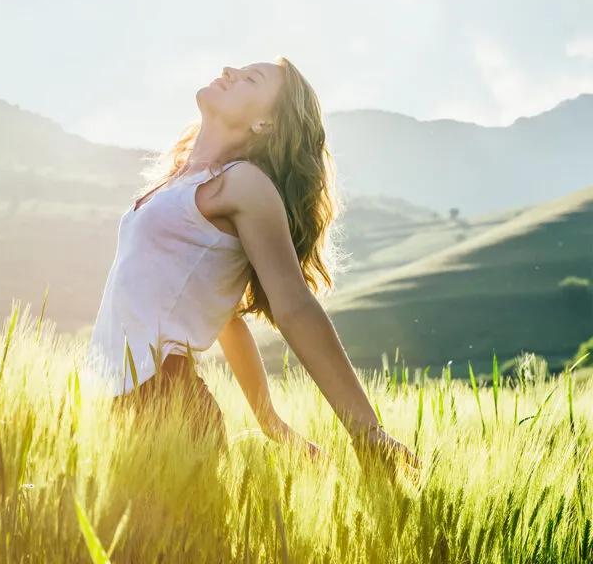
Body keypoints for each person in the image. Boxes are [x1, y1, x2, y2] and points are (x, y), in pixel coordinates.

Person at [84, 56, 421, 479]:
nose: (228, 71)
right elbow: (224, 318)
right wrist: (269, 419)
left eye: (250, 79)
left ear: (266, 124)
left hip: (163, 408)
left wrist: (366, 430)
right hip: (115, 403)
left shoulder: (242, 184)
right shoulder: (180, 180)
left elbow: (295, 306)